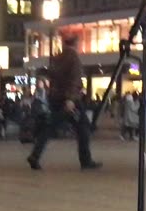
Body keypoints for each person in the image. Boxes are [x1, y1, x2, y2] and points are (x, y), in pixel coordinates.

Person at [27, 32, 101, 170]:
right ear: (76, 43)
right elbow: (74, 79)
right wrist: (71, 99)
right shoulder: (73, 58)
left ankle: (35, 155)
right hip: (70, 99)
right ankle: (86, 160)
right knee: (83, 127)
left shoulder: (57, 57)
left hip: (56, 98)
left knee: (49, 127)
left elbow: (52, 75)